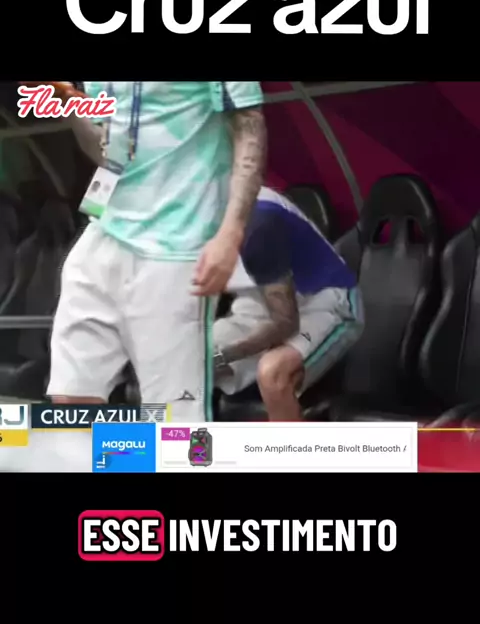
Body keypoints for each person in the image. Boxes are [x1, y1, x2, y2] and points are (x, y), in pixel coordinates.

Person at [47, 81, 267, 423]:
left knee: (171, 419)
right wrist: (67, 99)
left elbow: (249, 126)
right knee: (71, 400)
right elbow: (108, 152)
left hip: (175, 243)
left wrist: (230, 233)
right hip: (103, 232)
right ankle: (109, 453)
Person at [213, 186, 364, 421]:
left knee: (274, 371)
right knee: (181, 360)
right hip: (257, 304)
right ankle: (166, 441)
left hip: (323, 301)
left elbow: (285, 322)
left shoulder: (258, 222)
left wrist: (222, 357)